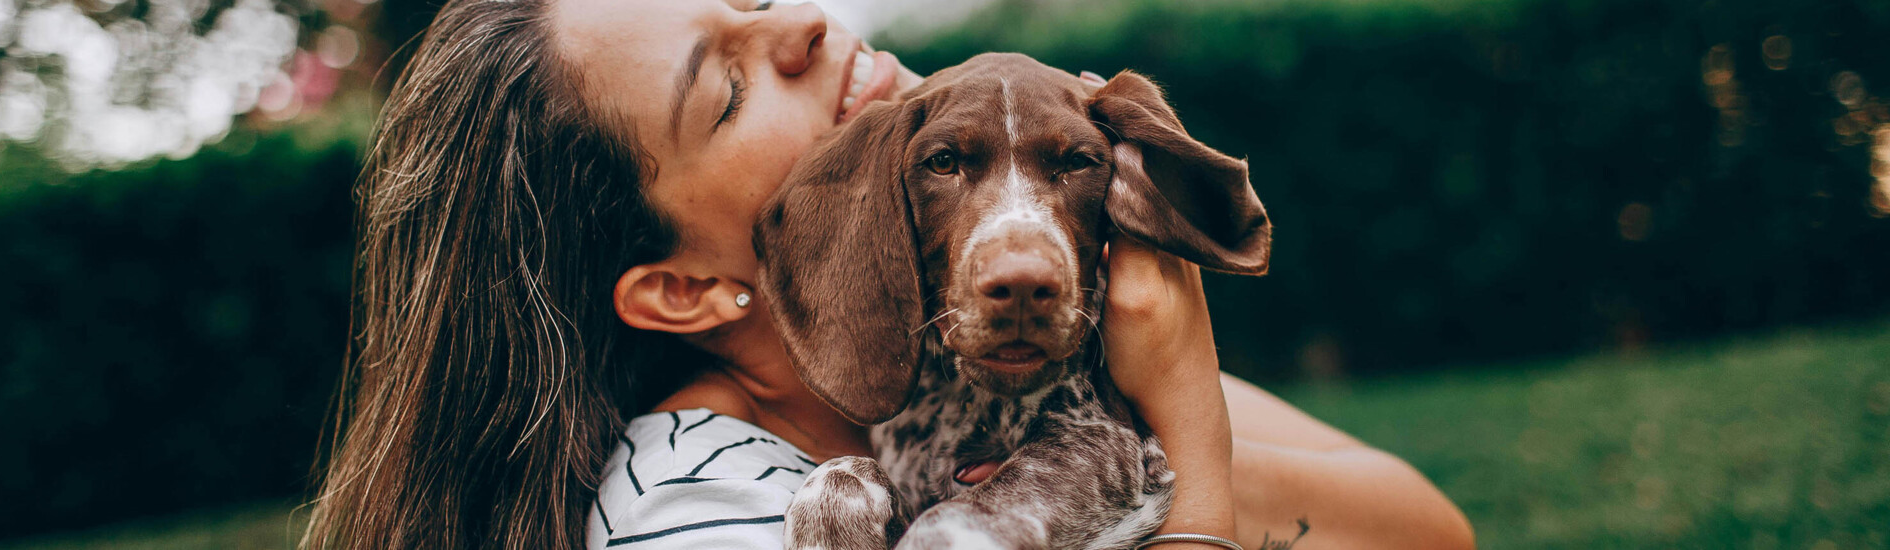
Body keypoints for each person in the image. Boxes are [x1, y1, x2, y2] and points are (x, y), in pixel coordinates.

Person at [301, 0, 1476, 548]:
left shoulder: (1008, 371)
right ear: (685, 290)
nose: (805, 23)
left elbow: (1433, 532)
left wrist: (1155, 433)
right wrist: (1193, 495)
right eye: (727, 87)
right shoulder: (697, 510)